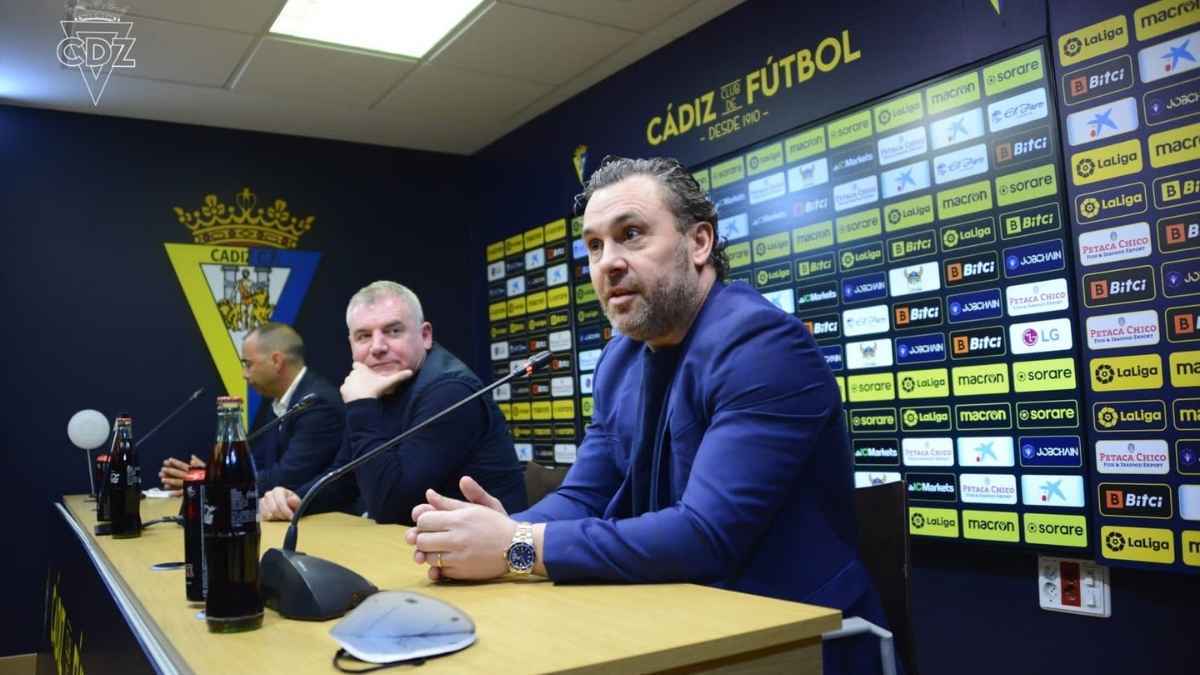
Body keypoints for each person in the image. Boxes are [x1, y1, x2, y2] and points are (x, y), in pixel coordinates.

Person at [404, 157, 889, 675]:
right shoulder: (620, 359)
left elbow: (705, 536)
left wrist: (514, 549)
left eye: (630, 234)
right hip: (681, 624)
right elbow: (584, 496)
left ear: (699, 242)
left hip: (799, 642)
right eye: (594, 246)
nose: (607, 263)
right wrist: (494, 532)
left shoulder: (762, 346)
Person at [258, 281, 527, 524]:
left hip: (491, 553)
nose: (377, 347)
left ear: (425, 336)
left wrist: (362, 405)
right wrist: (295, 500)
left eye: (393, 331)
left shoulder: (450, 391)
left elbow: (392, 506)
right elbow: (345, 477)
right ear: (351, 344)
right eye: (364, 336)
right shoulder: (379, 385)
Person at [159, 322, 344, 495]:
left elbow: (288, 478)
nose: (244, 374)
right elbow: (257, 464)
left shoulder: (317, 404)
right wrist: (212, 475)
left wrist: (215, 480)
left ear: (277, 361)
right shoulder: (279, 401)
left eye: (248, 364)